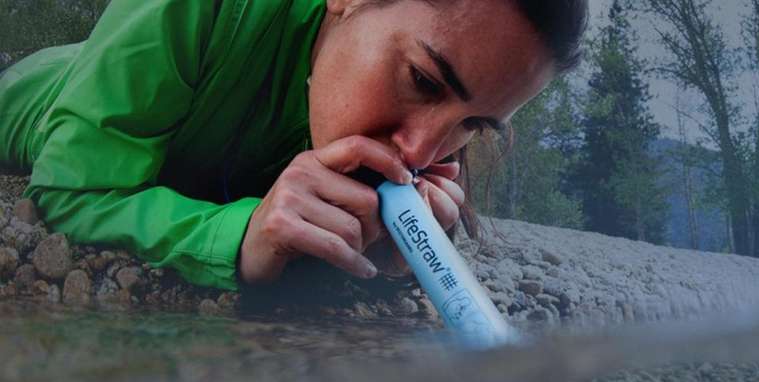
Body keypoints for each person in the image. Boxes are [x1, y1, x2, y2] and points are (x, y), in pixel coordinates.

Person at [0, 0, 588, 292]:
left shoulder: (422, 149)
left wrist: (393, 255)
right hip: (36, 87)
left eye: (472, 126)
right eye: (423, 81)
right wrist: (237, 240)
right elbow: (68, 193)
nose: (420, 152)